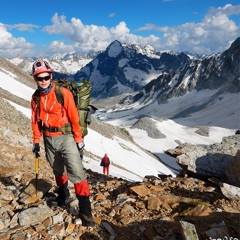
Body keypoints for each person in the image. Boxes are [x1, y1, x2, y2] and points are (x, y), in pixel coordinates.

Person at [31, 59, 95, 227]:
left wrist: (79, 139)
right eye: (39, 78)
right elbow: (35, 121)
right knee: (57, 168)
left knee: (76, 171)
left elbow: (74, 116)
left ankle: (85, 210)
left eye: (46, 77)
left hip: (66, 137)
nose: (43, 81)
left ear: (51, 76)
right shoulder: (36, 97)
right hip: (48, 137)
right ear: (35, 79)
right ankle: (62, 195)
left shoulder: (62, 93)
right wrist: (36, 141)